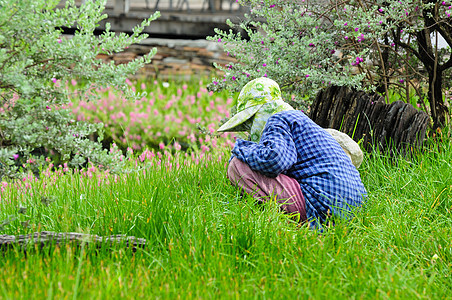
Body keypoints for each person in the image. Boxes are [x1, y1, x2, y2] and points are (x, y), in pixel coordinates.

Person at [217, 77, 367, 229]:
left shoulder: (278, 120)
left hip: (323, 205)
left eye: (250, 123)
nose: (249, 130)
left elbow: (274, 160)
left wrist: (241, 148)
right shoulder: (304, 123)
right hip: (356, 207)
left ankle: (283, 222)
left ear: (260, 112)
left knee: (237, 165)